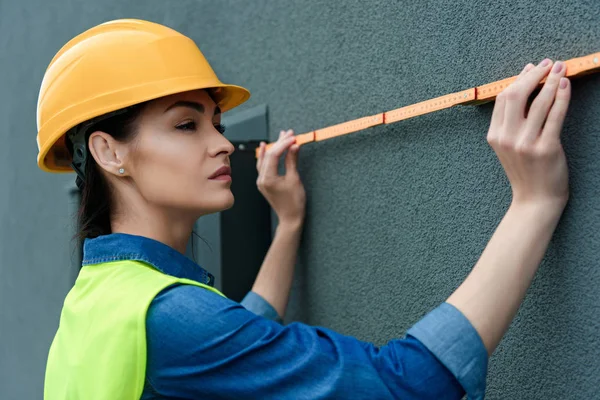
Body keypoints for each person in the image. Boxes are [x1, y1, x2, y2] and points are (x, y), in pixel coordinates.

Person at [38, 19, 571, 400]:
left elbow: (241, 333)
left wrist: (288, 224)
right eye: (186, 124)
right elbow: (406, 386)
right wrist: (533, 203)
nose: (222, 145)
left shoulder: (100, 301)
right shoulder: (169, 316)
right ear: (110, 153)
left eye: (217, 127)